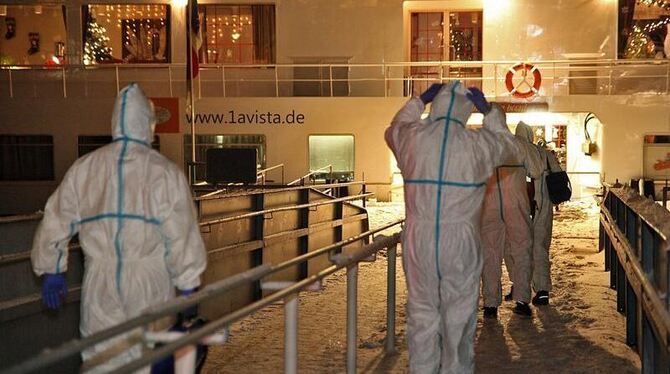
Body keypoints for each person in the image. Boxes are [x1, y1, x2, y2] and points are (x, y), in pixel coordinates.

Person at [31, 83, 207, 372]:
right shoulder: (164, 172)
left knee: (101, 358)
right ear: (147, 125)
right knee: (149, 356)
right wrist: (189, 287)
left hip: (100, 284)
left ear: (115, 123)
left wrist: (52, 269)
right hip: (151, 284)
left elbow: (56, 218)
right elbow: (182, 234)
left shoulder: (84, 168)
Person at [385, 81, 517, 373]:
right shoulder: (477, 143)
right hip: (460, 240)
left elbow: (393, 129)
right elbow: (510, 147)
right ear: (465, 111)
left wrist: (417, 102)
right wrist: (491, 113)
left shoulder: (414, 137)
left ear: (436, 106)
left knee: (422, 314)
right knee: (458, 317)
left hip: (419, 237)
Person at [481, 121, 543, 318]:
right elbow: (537, 170)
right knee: (521, 249)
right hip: (516, 204)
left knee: (490, 253)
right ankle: (522, 300)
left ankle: (490, 304)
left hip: (488, 205)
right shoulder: (520, 144)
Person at [530, 142, 563, 305]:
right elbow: (559, 174)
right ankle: (542, 290)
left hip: (524, 207)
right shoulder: (546, 154)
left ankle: (522, 289)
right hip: (545, 207)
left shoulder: (518, 152)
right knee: (541, 247)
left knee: (520, 249)